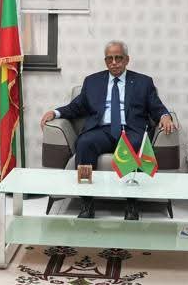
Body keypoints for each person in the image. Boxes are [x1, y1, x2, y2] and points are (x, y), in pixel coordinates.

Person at [39, 40, 175, 220]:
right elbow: (76, 106)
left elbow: (156, 106)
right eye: (109, 59)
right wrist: (55, 112)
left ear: (127, 60)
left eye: (118, 58)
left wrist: (165, 116)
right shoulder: (92, 81)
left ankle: (131, 204)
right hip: (101, 130)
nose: (114, 62)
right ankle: (87, 202)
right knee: (85, 143)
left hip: (131, 129)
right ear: (105, 61)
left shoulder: (143, 82)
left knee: (135, 144)